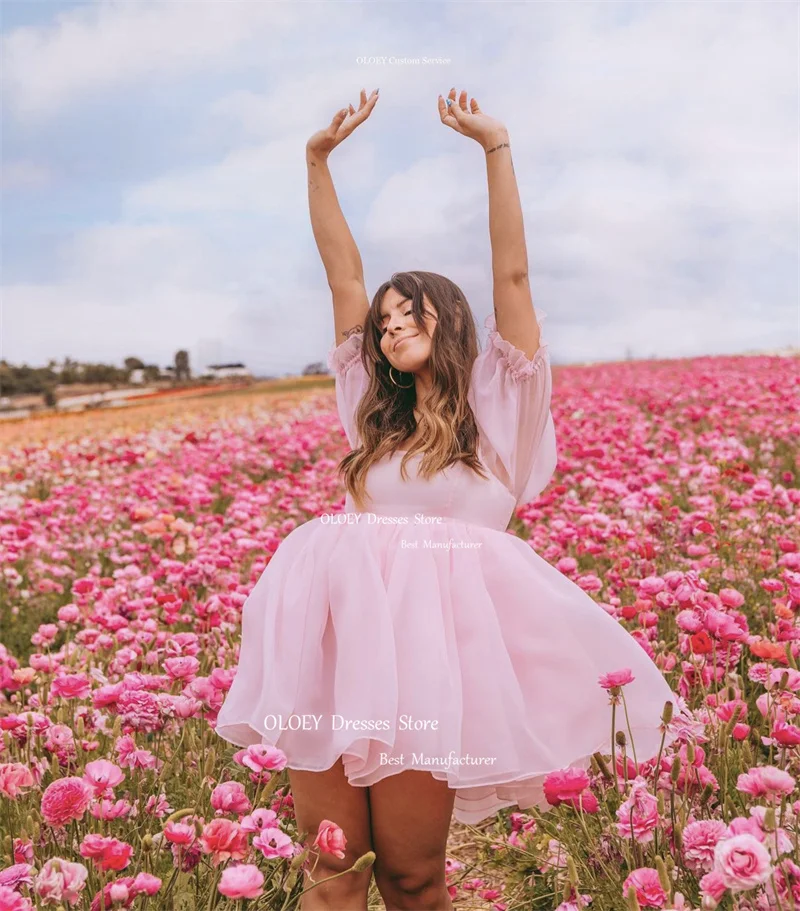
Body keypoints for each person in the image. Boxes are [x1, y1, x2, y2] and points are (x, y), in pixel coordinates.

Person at [214, 87, 679, 911]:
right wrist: (316, 162)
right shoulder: (367, 401)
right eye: (383, 322)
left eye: (407, 312)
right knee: (330, 870)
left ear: (449, 318)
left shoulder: (504, 410)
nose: (389, 326)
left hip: (430, 671)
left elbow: (513, 271)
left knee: (410, 874)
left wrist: (495, 147)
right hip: (330, 645)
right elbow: (343, 271)